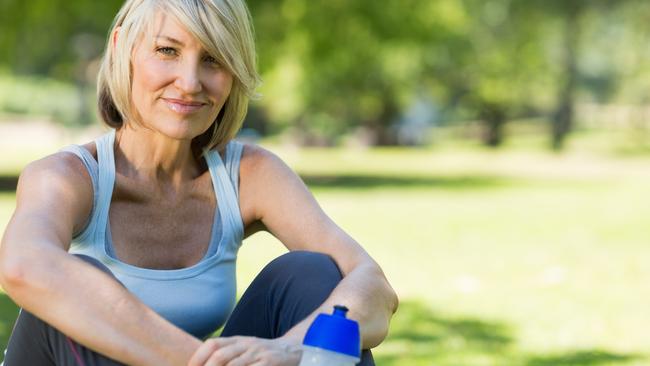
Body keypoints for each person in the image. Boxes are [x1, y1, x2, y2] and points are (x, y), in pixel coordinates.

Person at [0, 0, 398, 365]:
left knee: (309, 273)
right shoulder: (66, 176)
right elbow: (23, 266)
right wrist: (204, 362)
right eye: (167, 51)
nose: (190, 82)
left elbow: (371, 284)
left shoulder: (249, 175)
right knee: (71, 285)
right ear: (124, 47)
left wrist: (289, 349)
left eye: (213, 59)